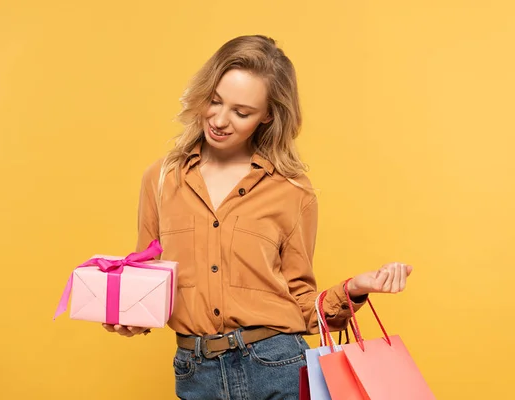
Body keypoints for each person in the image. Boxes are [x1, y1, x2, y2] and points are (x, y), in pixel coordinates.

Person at [103, 35, 413, 399]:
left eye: (241, 112)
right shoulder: (161, 179)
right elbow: (150, 276)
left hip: (276, 366)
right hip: (195, 371)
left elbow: (301, 302)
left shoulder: (292, 190)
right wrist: (129, 316)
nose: (219, 120)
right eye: (215, 102)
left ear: (268, 115)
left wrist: (355, 290)